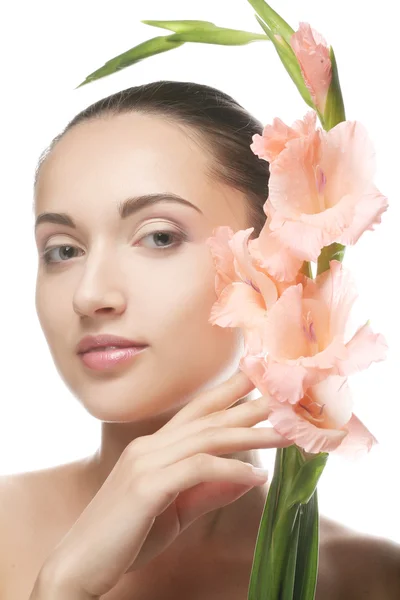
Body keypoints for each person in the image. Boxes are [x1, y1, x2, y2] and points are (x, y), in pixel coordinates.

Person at [0, 80, 399, 599]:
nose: (90, 294)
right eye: (62, 250)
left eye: (160, 236)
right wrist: (62, 585)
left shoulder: (367, 580)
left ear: (281, 263)